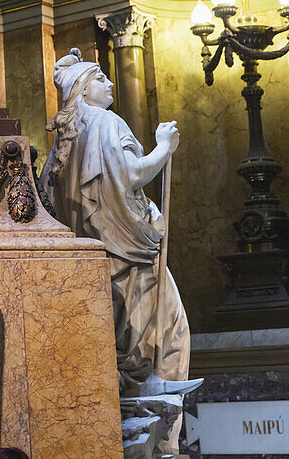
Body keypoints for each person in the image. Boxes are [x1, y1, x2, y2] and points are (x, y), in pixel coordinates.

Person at [40, 48, 195, 396]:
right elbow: (131, 173)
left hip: (96, 257)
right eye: (99, 77)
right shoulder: (107, 122)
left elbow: (49, 200)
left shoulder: (62, 141)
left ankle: (124, 417)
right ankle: (158, 429)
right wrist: (163, 147)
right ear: (81, 89)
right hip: (131, 252)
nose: (110, 83)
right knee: (168, 332)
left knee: (117, 340)